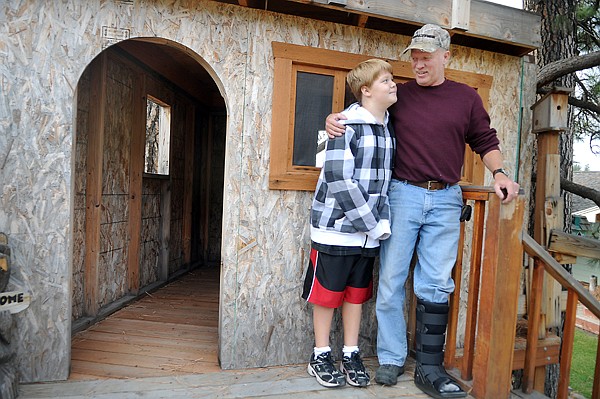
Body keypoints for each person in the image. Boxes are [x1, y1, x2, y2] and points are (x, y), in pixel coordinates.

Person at [325, 24, 520, 398]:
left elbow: (485, 140)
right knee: (392, 281)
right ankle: (392, 358)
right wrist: (335, 120)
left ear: (446, 56)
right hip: (402, 196)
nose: (418, 63)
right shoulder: (400, 97)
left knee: (435, 282)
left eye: (426, 57)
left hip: (446, 198)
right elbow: (366, 111)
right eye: (414, 57)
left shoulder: (466, 98)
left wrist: (499, 173)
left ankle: (429, 366)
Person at [302, 58, 397, 388]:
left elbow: (384, 184)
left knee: (356, 295)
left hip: (367, 236)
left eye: (392, 79)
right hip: (337, 230)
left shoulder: (388, 129)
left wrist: (375, 225)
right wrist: (372, 223)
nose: (393, 84)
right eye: (386, 80)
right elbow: (338, 178)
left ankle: (351, 352)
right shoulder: (346, 125)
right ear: (366, 90)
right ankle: (320, 353)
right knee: (328, 294)